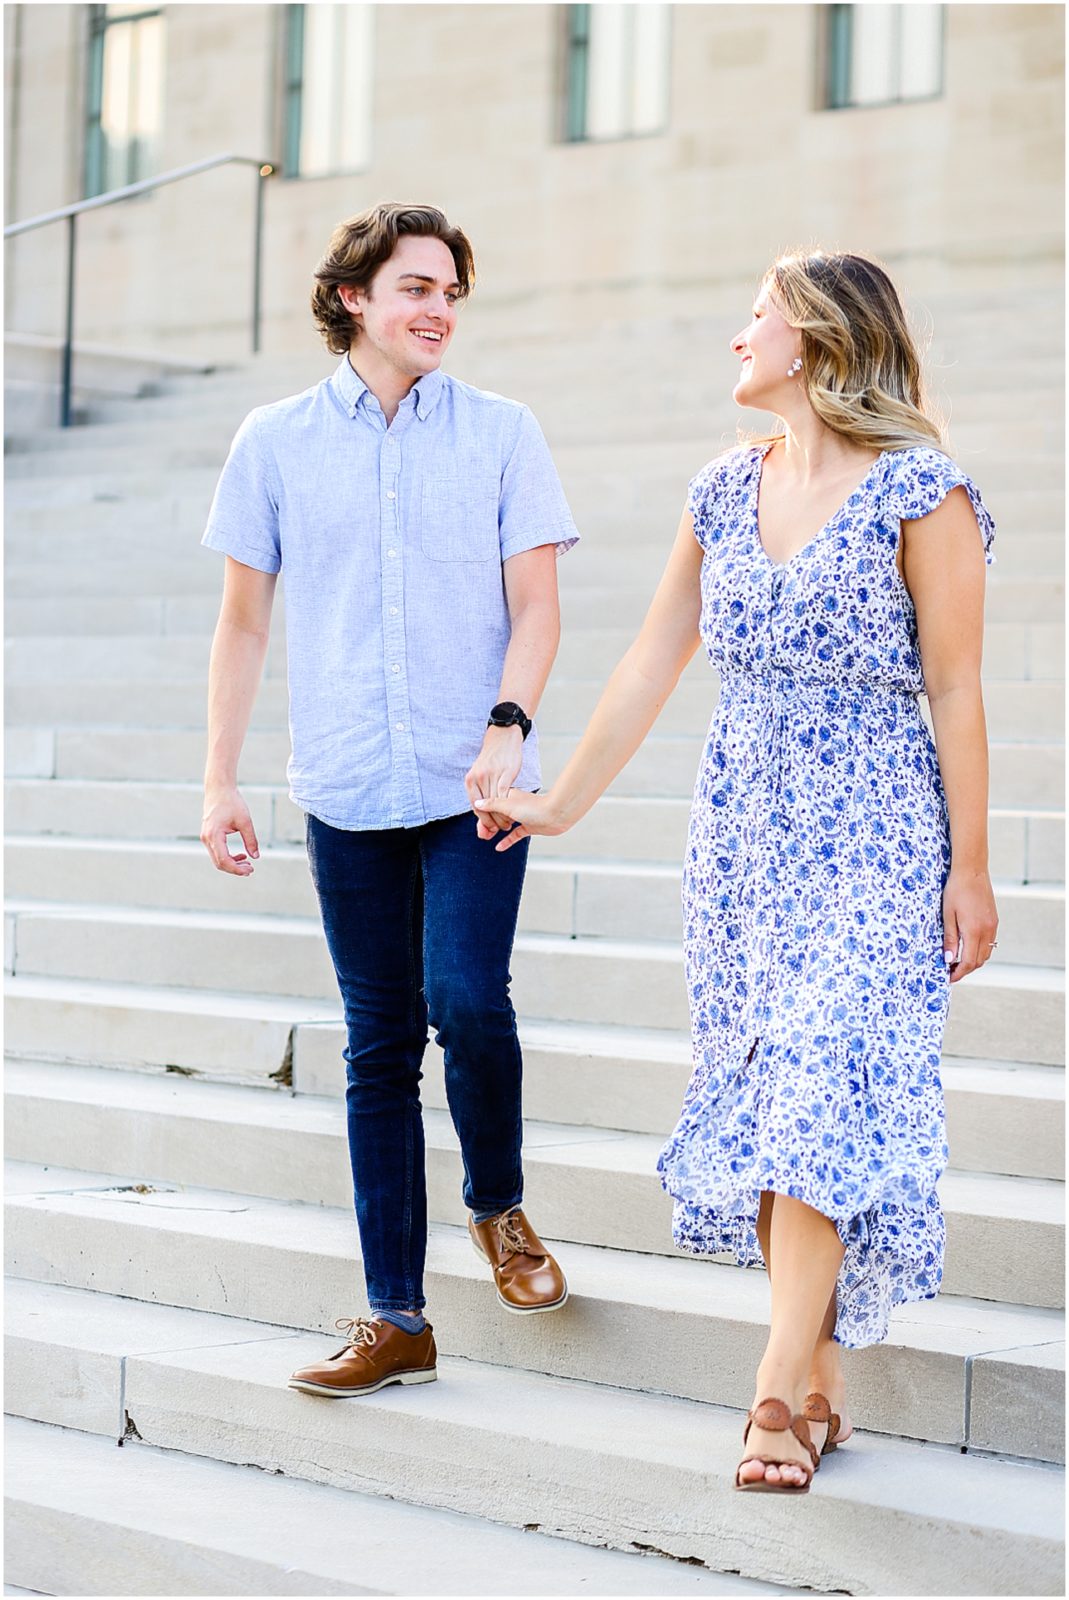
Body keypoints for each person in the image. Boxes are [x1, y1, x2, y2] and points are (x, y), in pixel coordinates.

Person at [476, 250, 998, 1493]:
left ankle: (771, 1395)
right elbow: (652, 660)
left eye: (754, 321)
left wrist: (969, 869)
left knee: (818, 1088)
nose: (735, 340)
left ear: (813, 342)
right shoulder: (719, 489)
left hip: (873, 827)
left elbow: (958, 688)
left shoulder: (922, 490)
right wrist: (561, 801)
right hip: (743, 837)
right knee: (771, 1100)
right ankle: (818, 1384)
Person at [200, 202, 578, 1400]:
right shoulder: (274, 440)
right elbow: (245, 620)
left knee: (469, 1000)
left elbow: (538, 608)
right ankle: (395, 1317)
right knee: (377, 1048)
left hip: (478, 785)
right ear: (354, 297)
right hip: (347, 784)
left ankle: (499, 1208)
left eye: (453, 292)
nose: (439, 310)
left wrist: (508, 728)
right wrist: (219, 774)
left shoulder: (506, 433)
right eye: (417, 286)